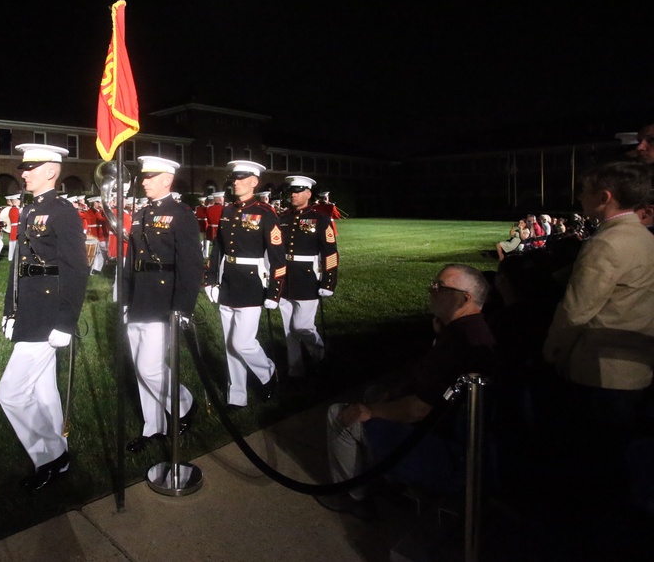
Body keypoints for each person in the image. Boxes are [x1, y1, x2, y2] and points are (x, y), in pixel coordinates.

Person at [318, 264, 496, 520]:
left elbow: (418, 409)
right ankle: (386, 479)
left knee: (339, 416)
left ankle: (354, 495)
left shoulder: (458, 343)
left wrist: (371, 412)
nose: (431, 290)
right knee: (375, 392)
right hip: (454, 431)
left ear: (465, 298)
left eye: (440, 287)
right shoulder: (470, 329)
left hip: (448, 450)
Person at [0, 144, 88, 491]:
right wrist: (11, 309)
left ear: (51, 171)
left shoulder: (62, 212)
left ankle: (50, 455)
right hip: (30, 310)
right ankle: (58, 455)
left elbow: (76, 269)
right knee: (43, 389)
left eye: (31, 167)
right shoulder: (28, 210)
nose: (24, 173)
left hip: (48, 312)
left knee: (11, 393)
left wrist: (66, 322)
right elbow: (17, 268)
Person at [543, 161, 654, 442]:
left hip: (599, 373)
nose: (579, 196)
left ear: (604, 198)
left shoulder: (607, 242)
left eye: (584, 190)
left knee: (594, 458)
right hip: (635, 368)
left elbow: (575, 311)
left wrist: (552, 353)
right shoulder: (643, 237)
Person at [124, 156, 202, 452]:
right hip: (139, 297)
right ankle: (153, 427)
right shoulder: (142, 213)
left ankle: (183, 405)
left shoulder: (181, 214)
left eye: (149, 177)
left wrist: (183, 305)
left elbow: (191, 264)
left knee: (150, 367)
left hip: (163, 298)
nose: (143, 181)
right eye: (144, 177)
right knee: (139, 366)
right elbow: (132, 260)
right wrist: (125, 297)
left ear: (166, 180)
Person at [204, 160, 285, 408]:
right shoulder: (228, 211)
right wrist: (209, 279)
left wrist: (275, 291)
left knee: (243, 342)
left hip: (251, 282)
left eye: (241, 178)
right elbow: (217, 248)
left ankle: (267, 373)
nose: (235, 182)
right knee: (230, 344)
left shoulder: (265, 213)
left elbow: (278, 255)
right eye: (233, 178)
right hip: (228, 281)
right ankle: (237, 396)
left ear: (254, 181)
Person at [278, 175, 338, 378]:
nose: (293, 195)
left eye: (298, 191)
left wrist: (329, 281)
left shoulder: (320, 219)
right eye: (291, 192)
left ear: (308, 194)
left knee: (302, 326)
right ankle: (295, 370)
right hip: (285, 278)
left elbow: (330, 252)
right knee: (289, 331)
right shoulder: (283, 218)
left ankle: (320, 356)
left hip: (307, 277)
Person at [203, 191, 225, 258]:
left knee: (209, 242)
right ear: (221, 199)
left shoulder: (209, 208)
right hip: (220, 229)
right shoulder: (224, 208)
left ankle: (206, 254)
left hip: (210, 228)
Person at [2, 193, 22, 262]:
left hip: (14, 227)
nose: (20, 201)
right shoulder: (16, 210)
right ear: (16, 201)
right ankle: (12, 257)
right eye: (19, 200)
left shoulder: (13, 209)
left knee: (12, 243)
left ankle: (11, 257)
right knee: (14, 243)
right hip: (16, 227)